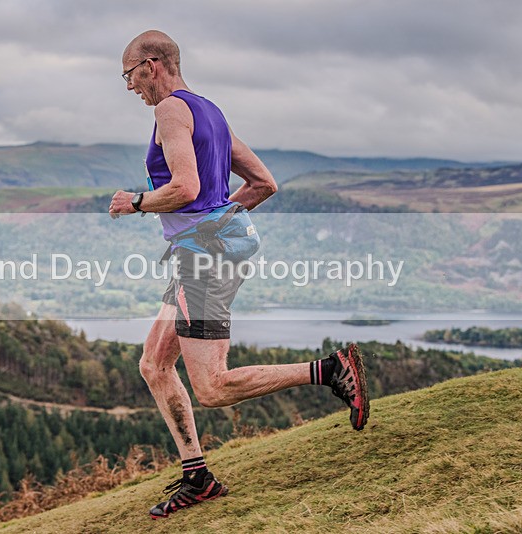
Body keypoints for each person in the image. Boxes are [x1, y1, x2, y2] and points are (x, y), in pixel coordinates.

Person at [109, 30, 369, 519]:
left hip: (202, 259)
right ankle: (198, 477)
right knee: (154, 364)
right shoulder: (211, 113)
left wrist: (137, 202)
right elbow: (263, 183)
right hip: (205, 249)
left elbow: (185, 187)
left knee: (211, 387)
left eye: (129, 75)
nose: (129, 87)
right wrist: (216, 220)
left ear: (152, 65)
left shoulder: (169, 111)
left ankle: (330, 370)